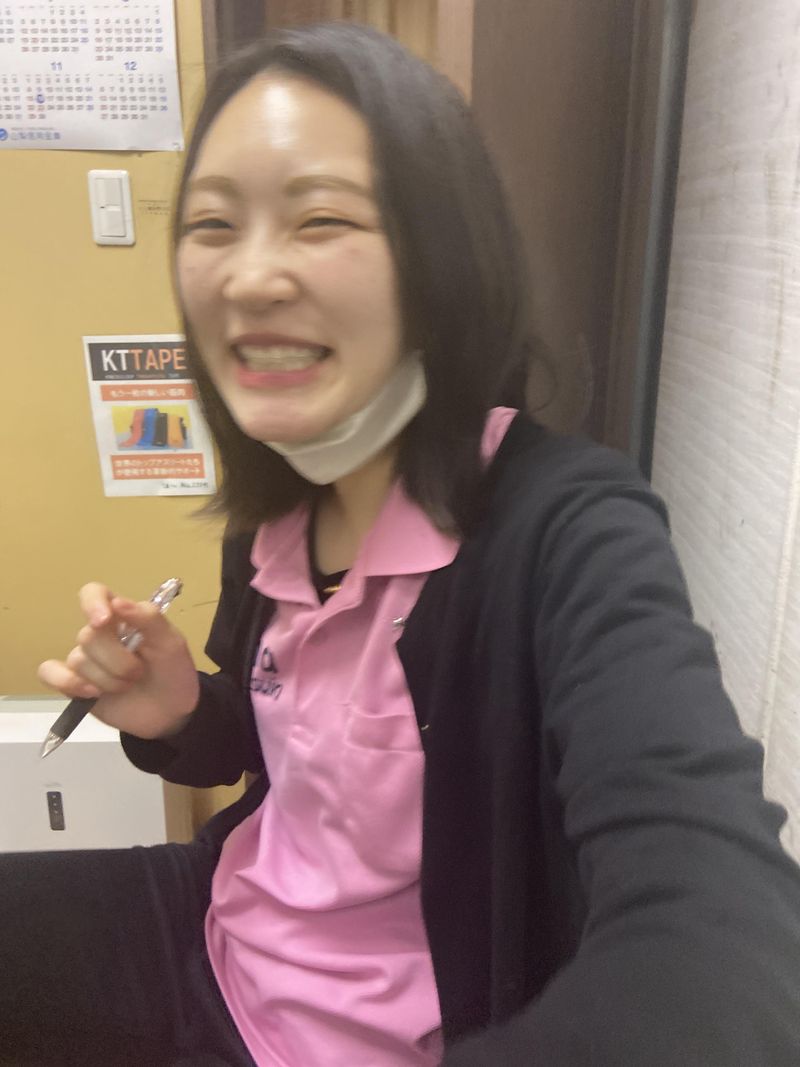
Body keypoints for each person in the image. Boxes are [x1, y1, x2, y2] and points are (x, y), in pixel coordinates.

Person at [3, 20, 800, 1067]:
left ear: (441, 260)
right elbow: (278, 756)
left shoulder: (569, 528)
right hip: (221, 928)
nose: (248, 277)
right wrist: (181, 709)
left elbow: (723, 946)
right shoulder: (276, 508)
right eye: (212, 224)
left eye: (321, 218)